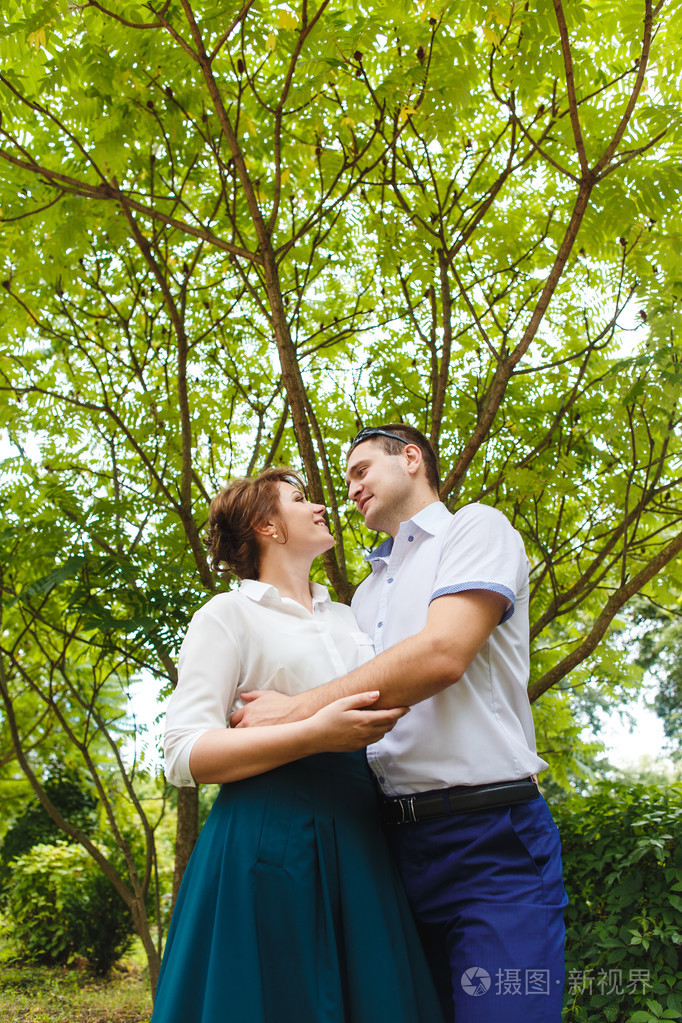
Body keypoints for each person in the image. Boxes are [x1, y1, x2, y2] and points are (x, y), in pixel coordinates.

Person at [232, 426, 568, 1023]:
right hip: (387, 850)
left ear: (411, 459)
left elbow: (442, 654)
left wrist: (293, 707)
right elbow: (356, 713)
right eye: (347, 478)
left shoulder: (475, 528)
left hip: (489, 836)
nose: (350, 487)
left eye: (362, 470)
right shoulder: (361, 598)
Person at [152, 466, 445, 1023]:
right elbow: (183, 754)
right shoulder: (226, 615)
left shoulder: (352, 615)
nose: (320, 506)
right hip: (263, 838)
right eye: (300, 498)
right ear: (267, 525)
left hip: (363, 837)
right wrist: (313, 734)